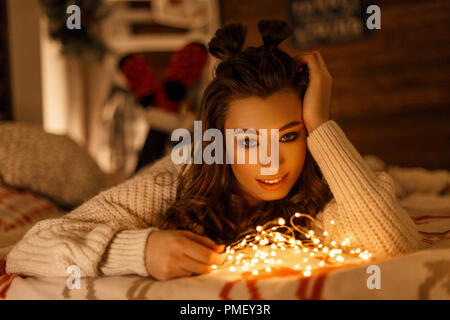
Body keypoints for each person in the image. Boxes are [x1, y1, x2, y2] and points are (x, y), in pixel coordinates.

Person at [5, 20, 421, 280]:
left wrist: (322, 126)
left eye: (289, 136)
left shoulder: (321, 173)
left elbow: (392, 240)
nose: (271, 162)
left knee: (381, 174)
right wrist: (140, 250)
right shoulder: (178, 177)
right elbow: (29, 249)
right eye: (247, 142)